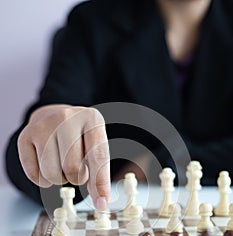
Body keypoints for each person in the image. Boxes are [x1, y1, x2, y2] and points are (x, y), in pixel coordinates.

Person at [5, 0, 233, 211]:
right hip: (117, 211)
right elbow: (44, 132)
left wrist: (160, 163)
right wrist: (48, 129)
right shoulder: (92, 21)